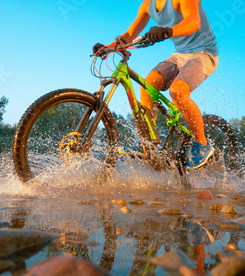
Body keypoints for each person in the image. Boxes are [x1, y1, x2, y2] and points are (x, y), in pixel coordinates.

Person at [93, 0, 218, 169]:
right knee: (146, 86)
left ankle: (202, 144)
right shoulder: (147, 5)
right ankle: (148, 142)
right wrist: (108, 48)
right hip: (180, 54)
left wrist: (167, 31)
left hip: (203, 53)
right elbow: (128, 35)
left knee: (178, 92)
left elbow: (194, 22)